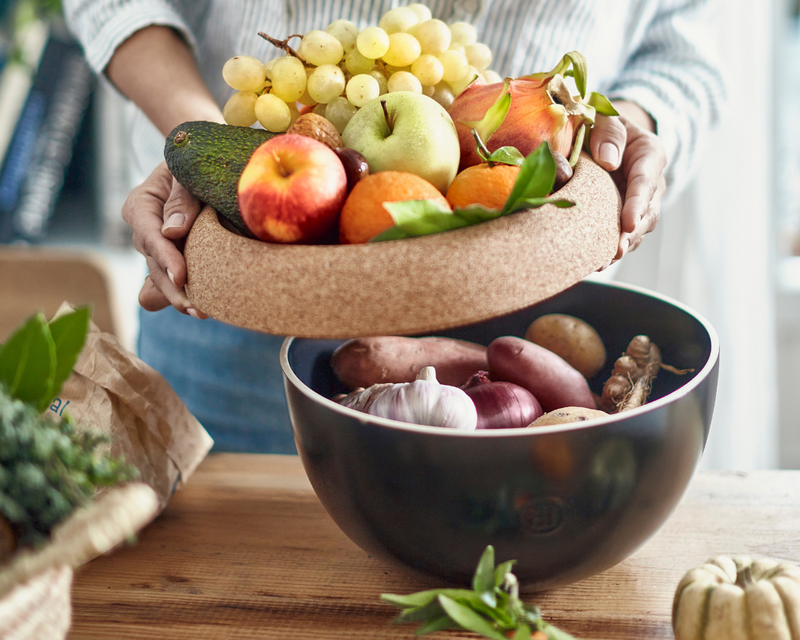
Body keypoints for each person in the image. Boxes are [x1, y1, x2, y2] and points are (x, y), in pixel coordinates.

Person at [62, 0, 724, 453]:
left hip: (532, 322)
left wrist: (623, 127)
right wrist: (202, 146)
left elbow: (685, 46)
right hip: (246, 309)